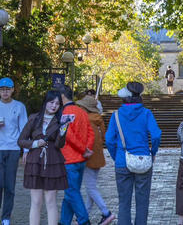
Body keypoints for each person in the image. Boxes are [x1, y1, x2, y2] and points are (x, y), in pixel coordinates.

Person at [105, 81, 162, 225]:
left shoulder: (116, 115)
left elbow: (109, 139)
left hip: (122, 161)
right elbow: (156, 135)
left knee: (124, 202)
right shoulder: (146, 113)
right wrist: (153, 152)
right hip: (143, 161)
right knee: (142, 202)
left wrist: (116, 156)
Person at [18, 90, 69, 225]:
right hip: (35, 161)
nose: (54, 106)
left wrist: (63, 132)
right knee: (36, 201)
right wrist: (35, 143)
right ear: (45, 102)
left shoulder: (60, 121)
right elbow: (21, 140)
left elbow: (59, 144)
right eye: (51, 102)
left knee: (51, 200)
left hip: (53, 160)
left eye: (57, 104)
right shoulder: (34, 118)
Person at [0, 77, 28, 225]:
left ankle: (6, 217)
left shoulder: (20, 106)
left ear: (13, 90)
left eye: (8, 89)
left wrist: (26, 150)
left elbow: (24, 129)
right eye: (2, 89)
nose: (5, 92)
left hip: (13, 149)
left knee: (9, 185)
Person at [57, 84, 95, 225]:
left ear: (62, 97)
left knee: (72, 192)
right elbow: (91, 132)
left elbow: (67, 135)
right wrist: (87, 149)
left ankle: (84, 220)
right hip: (81, 160)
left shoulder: (64, 113)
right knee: (71, 193)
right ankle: (64, 221)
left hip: (69, 159)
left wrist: (83, 149)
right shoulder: (82, 112)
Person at [76, 93, 116, 225]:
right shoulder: (98, 119)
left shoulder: (84, 120)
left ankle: (106, 213)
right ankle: (84, 216)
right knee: (90, 188)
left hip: (88, 157)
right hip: (98, 156)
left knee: (91, 188)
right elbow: (105, 137)